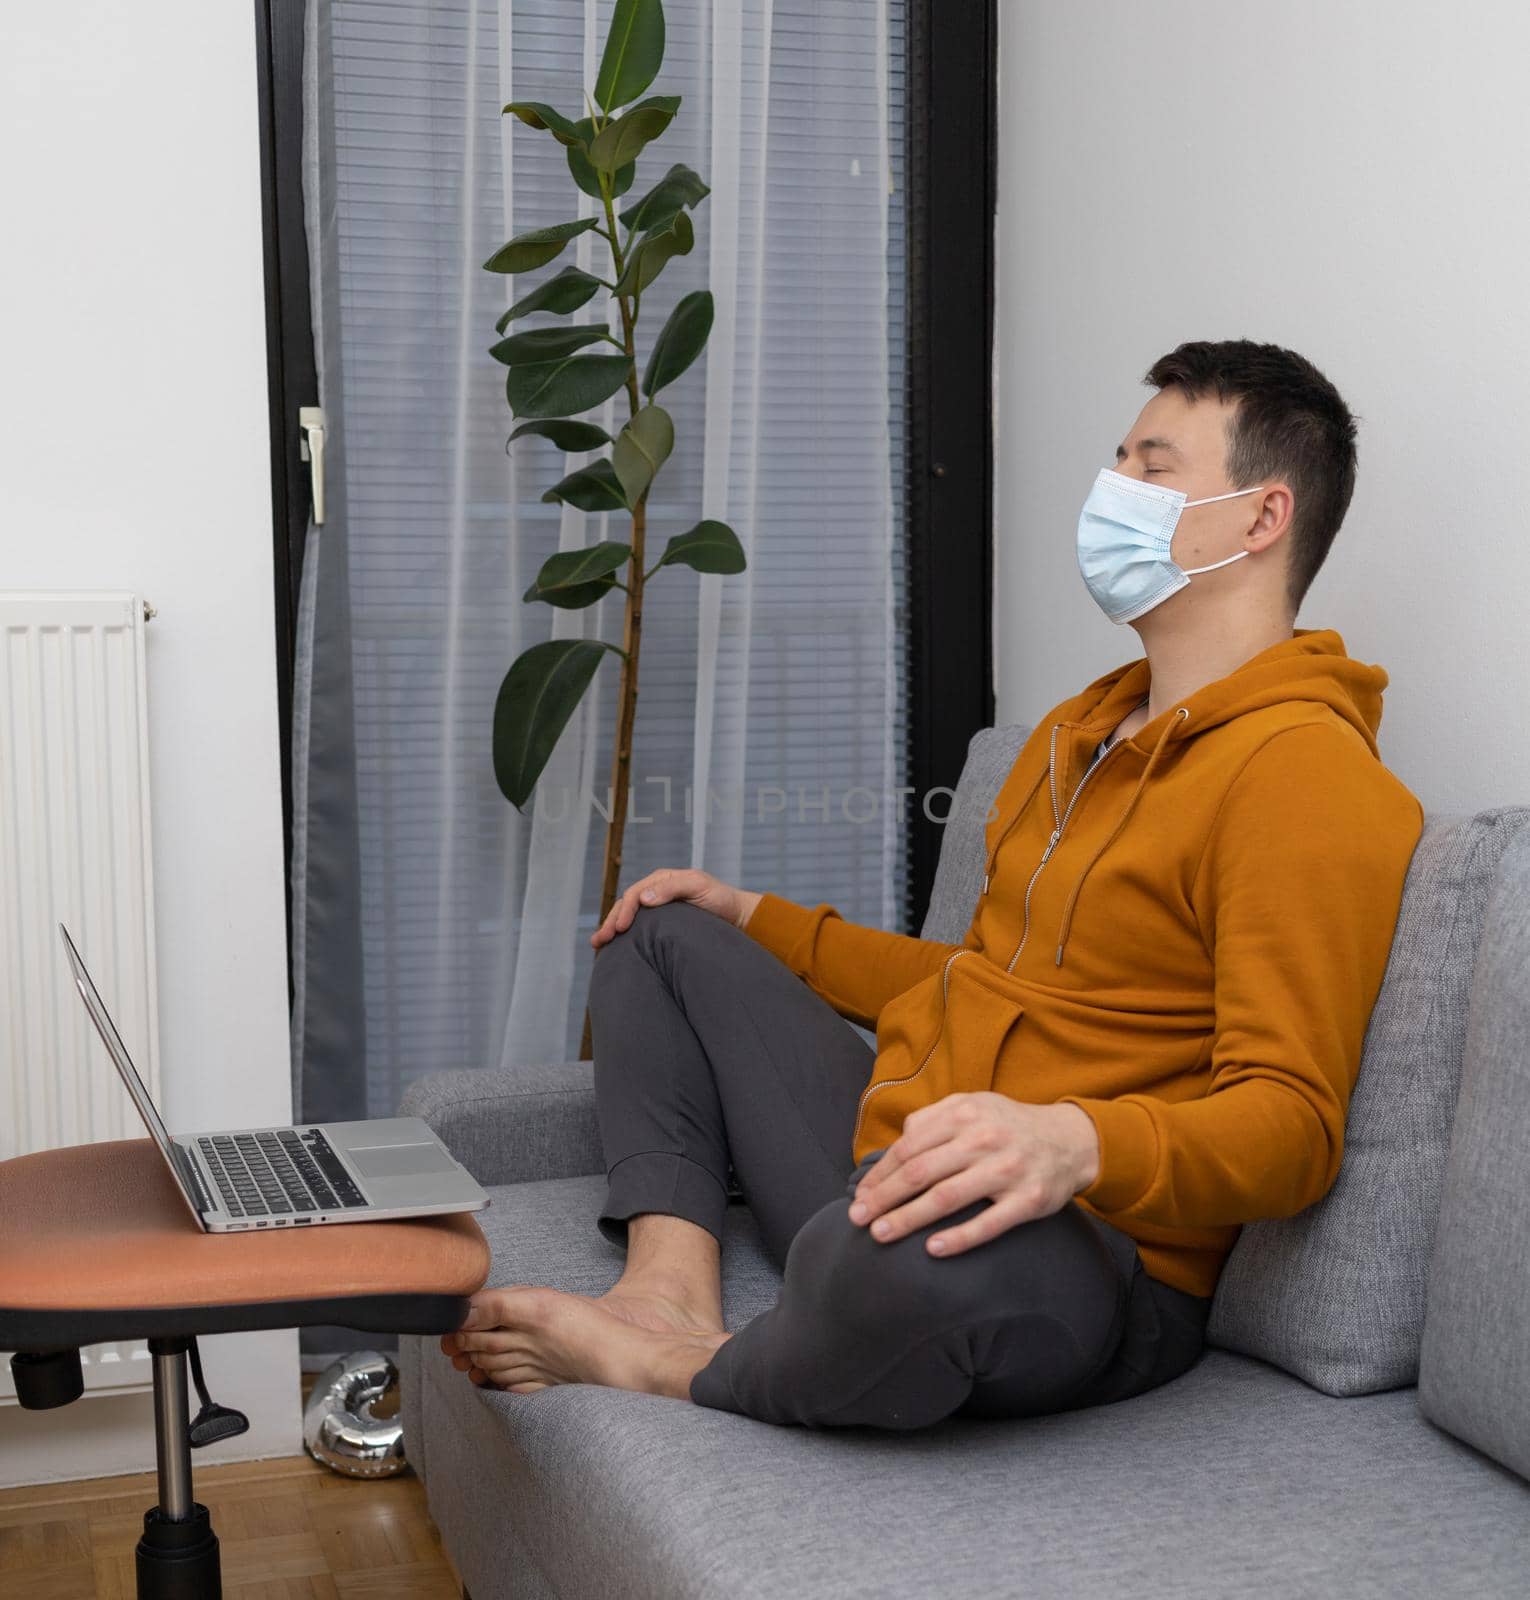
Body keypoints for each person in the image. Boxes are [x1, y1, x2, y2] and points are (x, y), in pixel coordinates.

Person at [441, 338, 1425, 1429]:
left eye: (1154, 468)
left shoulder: (1308, 778)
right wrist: (760, 921)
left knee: (919, 1264)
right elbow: (976, 975)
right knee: (657, 928)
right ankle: (662, 1288)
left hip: (1086, 1250)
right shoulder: (1078, 732)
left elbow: (1290, 1126)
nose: (1115, 493)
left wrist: (1072, 1141)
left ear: (1261, 517)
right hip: (904, 1163)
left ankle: (674, 1364)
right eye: (1119, 462)